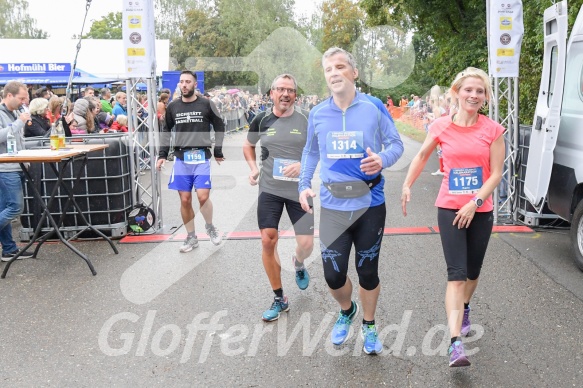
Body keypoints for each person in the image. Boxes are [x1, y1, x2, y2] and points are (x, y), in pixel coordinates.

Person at [298, 47, 404, 355]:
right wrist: (304, 184)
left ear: (353, 73)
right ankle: (347, 310)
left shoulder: (372, 107)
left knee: (367, 270)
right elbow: (311, 152)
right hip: (333, 204)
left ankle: (369, 324)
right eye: (329, 68)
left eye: (341, 67)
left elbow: (396, 144)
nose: (334, 72)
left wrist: (381, 159)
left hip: (370, 202)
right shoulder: (318, 112)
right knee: (333, 275)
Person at [401, 67, 504, 367]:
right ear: (456, 92)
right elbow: (421, 157)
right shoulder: (441, 127)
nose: (473, 95)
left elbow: (496, 173)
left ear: (485, 97)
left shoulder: (492, 130)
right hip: (449, 208)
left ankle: (466, 307)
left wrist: (475, 201)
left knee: (472, 273)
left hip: (480, 210)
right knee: (456, 274)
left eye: (479, 91)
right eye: (468, 90)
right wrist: (407, 184)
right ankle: (455, 344)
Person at [243, 74, 314, 322]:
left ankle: (298, 262)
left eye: (290, 90)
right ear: (271, 93)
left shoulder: (306, 119)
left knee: (306, 244)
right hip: (270, 188)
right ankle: (279, 298)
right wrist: (253, 168)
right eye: (281, 89)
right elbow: (248, 145)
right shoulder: (261, 118)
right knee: (268, 240)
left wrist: (301, 164)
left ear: (296, 95)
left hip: (299, 189)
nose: (285, 94)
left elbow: (318, 151)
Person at [156, 70, 225, 252]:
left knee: (203, 197)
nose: (184, 84)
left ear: (195, 84)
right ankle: (191, 237)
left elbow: (219, 126)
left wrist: (218, 149)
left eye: (188, 81)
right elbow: (166, 131)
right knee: (185, 200)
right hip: (181, 158)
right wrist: (162, 155)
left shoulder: (207, 104)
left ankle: (210, 227)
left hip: (201, 156)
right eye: (181, 82)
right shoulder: (173, 107)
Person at [0, 81, 34, 261]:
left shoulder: (16, 112)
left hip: (17, 164)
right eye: (21, 98)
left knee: (4, 208)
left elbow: (19, 140)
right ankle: (8, 248)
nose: (23, 102)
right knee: (15, 207)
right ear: (9, 95)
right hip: (5, 168)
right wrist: (18, 123)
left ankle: (9, 249)